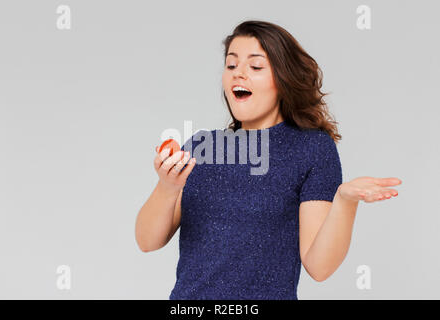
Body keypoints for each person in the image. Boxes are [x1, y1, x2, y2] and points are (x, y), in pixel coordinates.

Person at [135, 20, 402, 300]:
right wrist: (167, 187)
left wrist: (345, 202)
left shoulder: (311, 148)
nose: (239, 74)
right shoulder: (203, 146)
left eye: (255, 66)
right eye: (231, 65)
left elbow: (320, 267)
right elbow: (147, 241)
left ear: (283, 79)